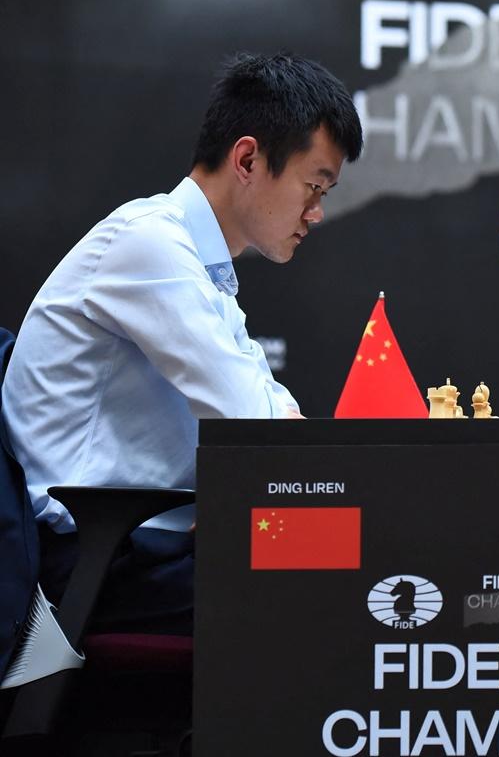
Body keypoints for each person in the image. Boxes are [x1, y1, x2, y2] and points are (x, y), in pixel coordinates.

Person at [2, 52, 363, 633]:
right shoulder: (148, 245)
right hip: (86, 563)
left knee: (360, 539)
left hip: (140, 546)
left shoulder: (205, 269)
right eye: (313, 186)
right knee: (349, 553)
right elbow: (258, 423)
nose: (316, 213)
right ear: (247, 158)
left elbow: (276, 412)